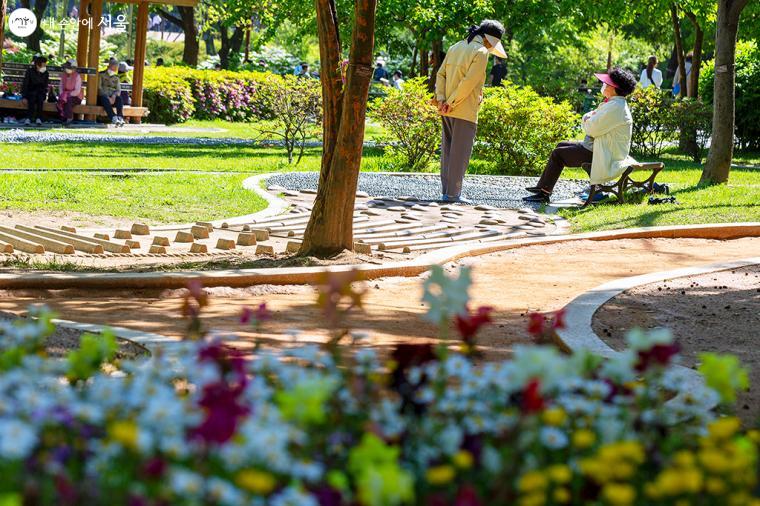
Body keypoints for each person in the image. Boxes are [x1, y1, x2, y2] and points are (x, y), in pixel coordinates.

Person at [523, 67, 638, 203]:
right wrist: (588, 118)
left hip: (606, 153)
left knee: (558, 154)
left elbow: (592, 128)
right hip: (603, 149)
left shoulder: (615, 107)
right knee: (561, 145)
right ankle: (542, 188)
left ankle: (543, 193)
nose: (604, 85)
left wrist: (586, 119)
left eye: (606, 84)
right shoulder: (615, 104)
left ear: (614, 88)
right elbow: (592, 120)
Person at [435, 20, 507, 203]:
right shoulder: (481, 52)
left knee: (448, 152)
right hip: (464, 110)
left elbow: (440, 74)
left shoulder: (455, 47)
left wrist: (442, 100)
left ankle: (447, 192)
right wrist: (451, 102)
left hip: (447, 109)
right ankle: (453, 195)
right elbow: (469, 82)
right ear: (490, 40)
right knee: (460, 154)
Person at [21, 55, 49, 126]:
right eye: (43, 66)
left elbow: (45, 86)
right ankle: (29, 118)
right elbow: (25, 84)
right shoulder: (30, 71)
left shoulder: (46, 73)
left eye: (45, 65)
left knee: (40, 98)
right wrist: (24, 97)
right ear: (37, 65)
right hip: (30, 91)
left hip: (41, 92)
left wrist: (45, 94)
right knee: (32, 96)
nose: (44, 67)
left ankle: (39, 118)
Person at [98, 58, 125, 125]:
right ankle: (113, 117)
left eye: (115, 68)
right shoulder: (101, 75)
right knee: (104, 99)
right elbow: (99, 88)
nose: (114, 70)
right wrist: (108, 97)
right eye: (112, 68)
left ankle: (120, 117)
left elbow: (118, 90)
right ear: (108, 67)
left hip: (112, 97)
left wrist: (114, 96)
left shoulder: (116, 77)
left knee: (119, 99)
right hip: (103, 97)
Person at [57, 60, 83, 126]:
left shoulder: (77, 76)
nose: (67, 69)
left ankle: (69, 118)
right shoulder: (64, 75)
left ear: (74, 68)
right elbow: (61, 86)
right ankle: (63, 118)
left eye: (69, 67)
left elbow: (77, 91)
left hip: (76, 96)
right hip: (65, 94)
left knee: (69, 100)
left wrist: (68, 94)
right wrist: (62, 95)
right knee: (61, 101)